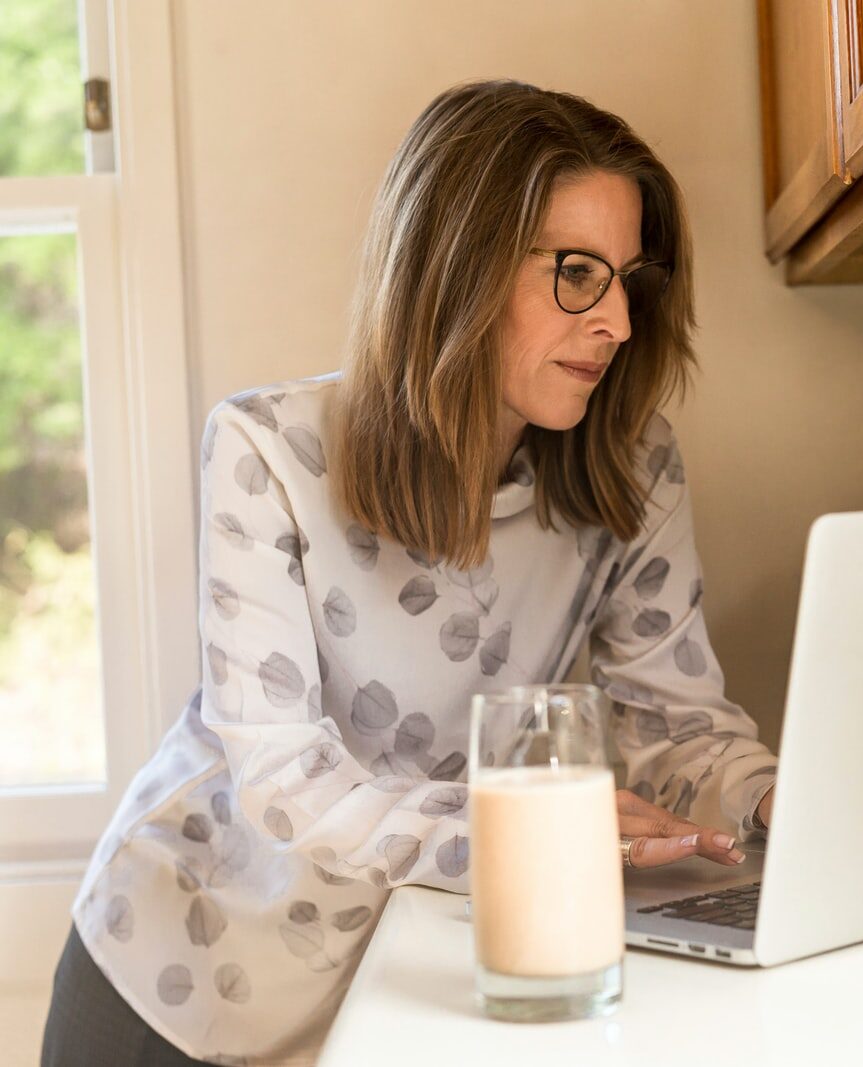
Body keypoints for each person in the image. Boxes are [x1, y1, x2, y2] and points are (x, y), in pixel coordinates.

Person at [40, 78, 778, 1067]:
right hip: (179, 971)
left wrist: (780, 799)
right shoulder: (266, 451)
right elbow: (287, 783)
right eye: (574, 272)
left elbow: (673, 724)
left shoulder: (631, 470)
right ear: (454, 265)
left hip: (398, 976)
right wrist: (533, 829)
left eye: (626, 281)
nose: (617, 323)